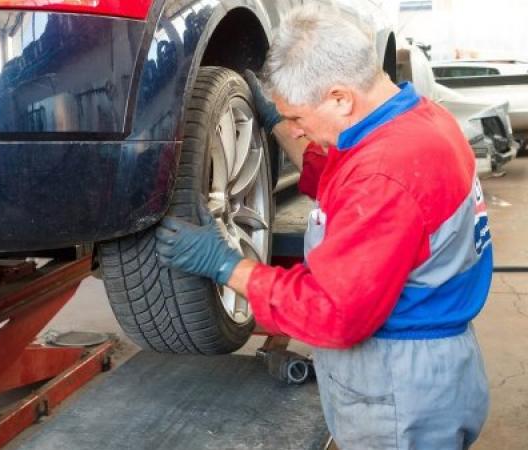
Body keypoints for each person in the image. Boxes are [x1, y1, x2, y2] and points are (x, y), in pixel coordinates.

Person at [155, 5, 491, 450]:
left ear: (339, 98)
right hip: (433, 367)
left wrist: (226, 266)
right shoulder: (420, 121)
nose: (300, 130)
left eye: (298, 117)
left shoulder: (385, 175)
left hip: (400, 389)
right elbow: (342, 174)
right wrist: (279, 125)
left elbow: (333, 313)